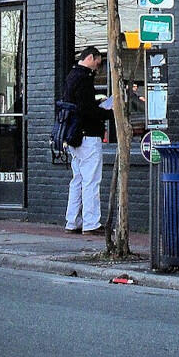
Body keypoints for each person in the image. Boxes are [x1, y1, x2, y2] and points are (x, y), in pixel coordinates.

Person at [58, 45, 111, 234]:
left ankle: (72, 221)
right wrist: (107, 112)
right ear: (90, 58)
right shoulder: (84, 78)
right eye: (97, 63)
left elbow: (78, 106)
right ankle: (91, 223)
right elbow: (86, 109)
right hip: (88, 136)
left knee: (78, 180)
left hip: (74, 137)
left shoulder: (71, 77)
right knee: (91, 181)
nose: (97, 68)